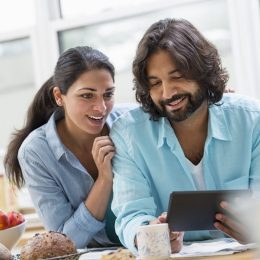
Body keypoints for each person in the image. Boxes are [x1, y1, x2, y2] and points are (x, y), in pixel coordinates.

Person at [110, 18, 260, 254]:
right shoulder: (129, 134)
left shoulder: (251, 119)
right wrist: (151, 235)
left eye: (177, 76)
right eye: (156, 83)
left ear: (203, 72)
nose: (168, 93)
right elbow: (131, 215)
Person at [4, 46, 130, 248]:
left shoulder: (129, 123)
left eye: (108, 94)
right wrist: (104, 180)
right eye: (87, 96)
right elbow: (64, 242)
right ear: (58, 96)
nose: (101, 107)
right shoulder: (36, 152)